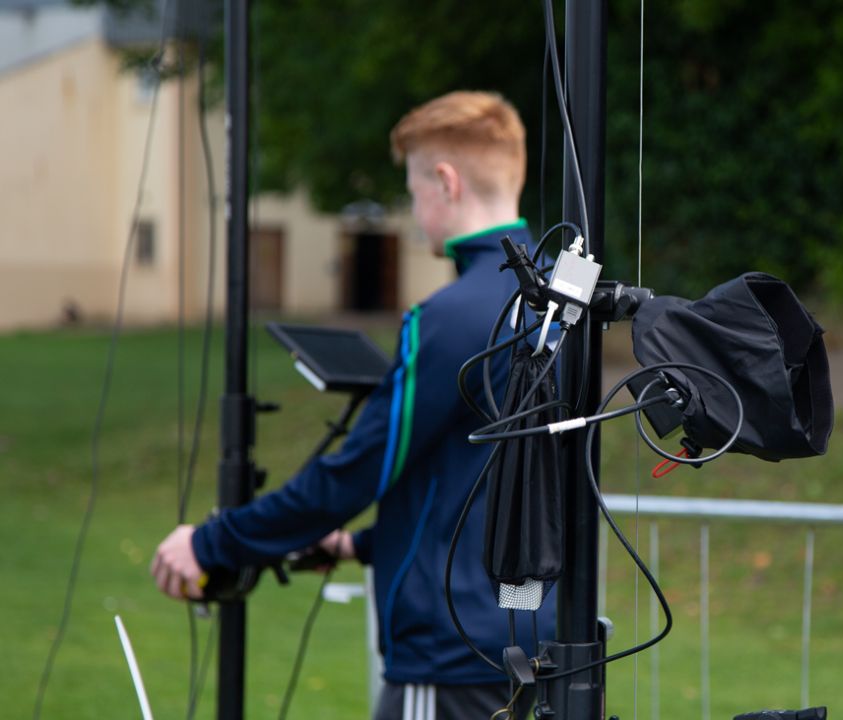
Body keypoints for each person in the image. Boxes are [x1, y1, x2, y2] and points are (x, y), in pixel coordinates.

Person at [150, 90, 554, 720]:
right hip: (536, 642)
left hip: (447, 657)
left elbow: (358, 469)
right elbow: (491, 480)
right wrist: (358, 546)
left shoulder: (450, 316)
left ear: (445, 182)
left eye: (412, 188)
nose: (414, 212)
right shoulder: (562, 300)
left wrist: (213, 542)